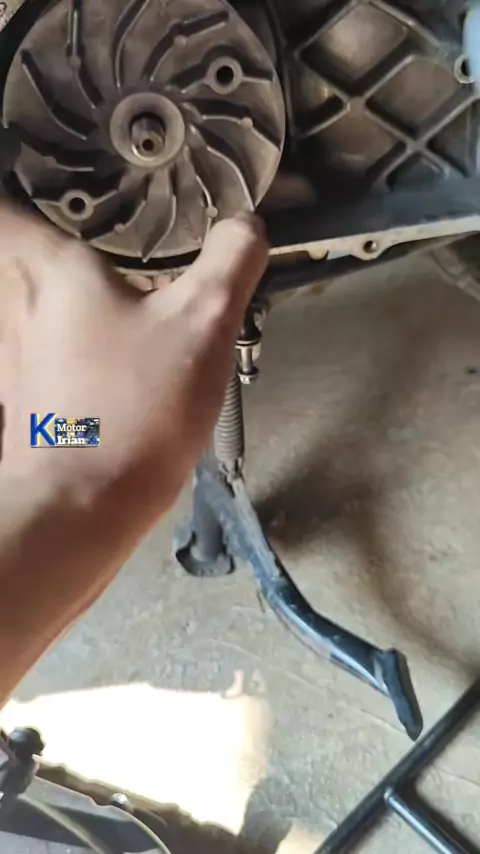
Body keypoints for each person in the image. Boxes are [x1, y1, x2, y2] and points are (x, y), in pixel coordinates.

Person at [0, 202, 268, 707]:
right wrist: (73, 472)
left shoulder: (47, 434)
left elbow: (54, 438)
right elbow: (69, 448)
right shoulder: (57, 441)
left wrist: (50, 461)